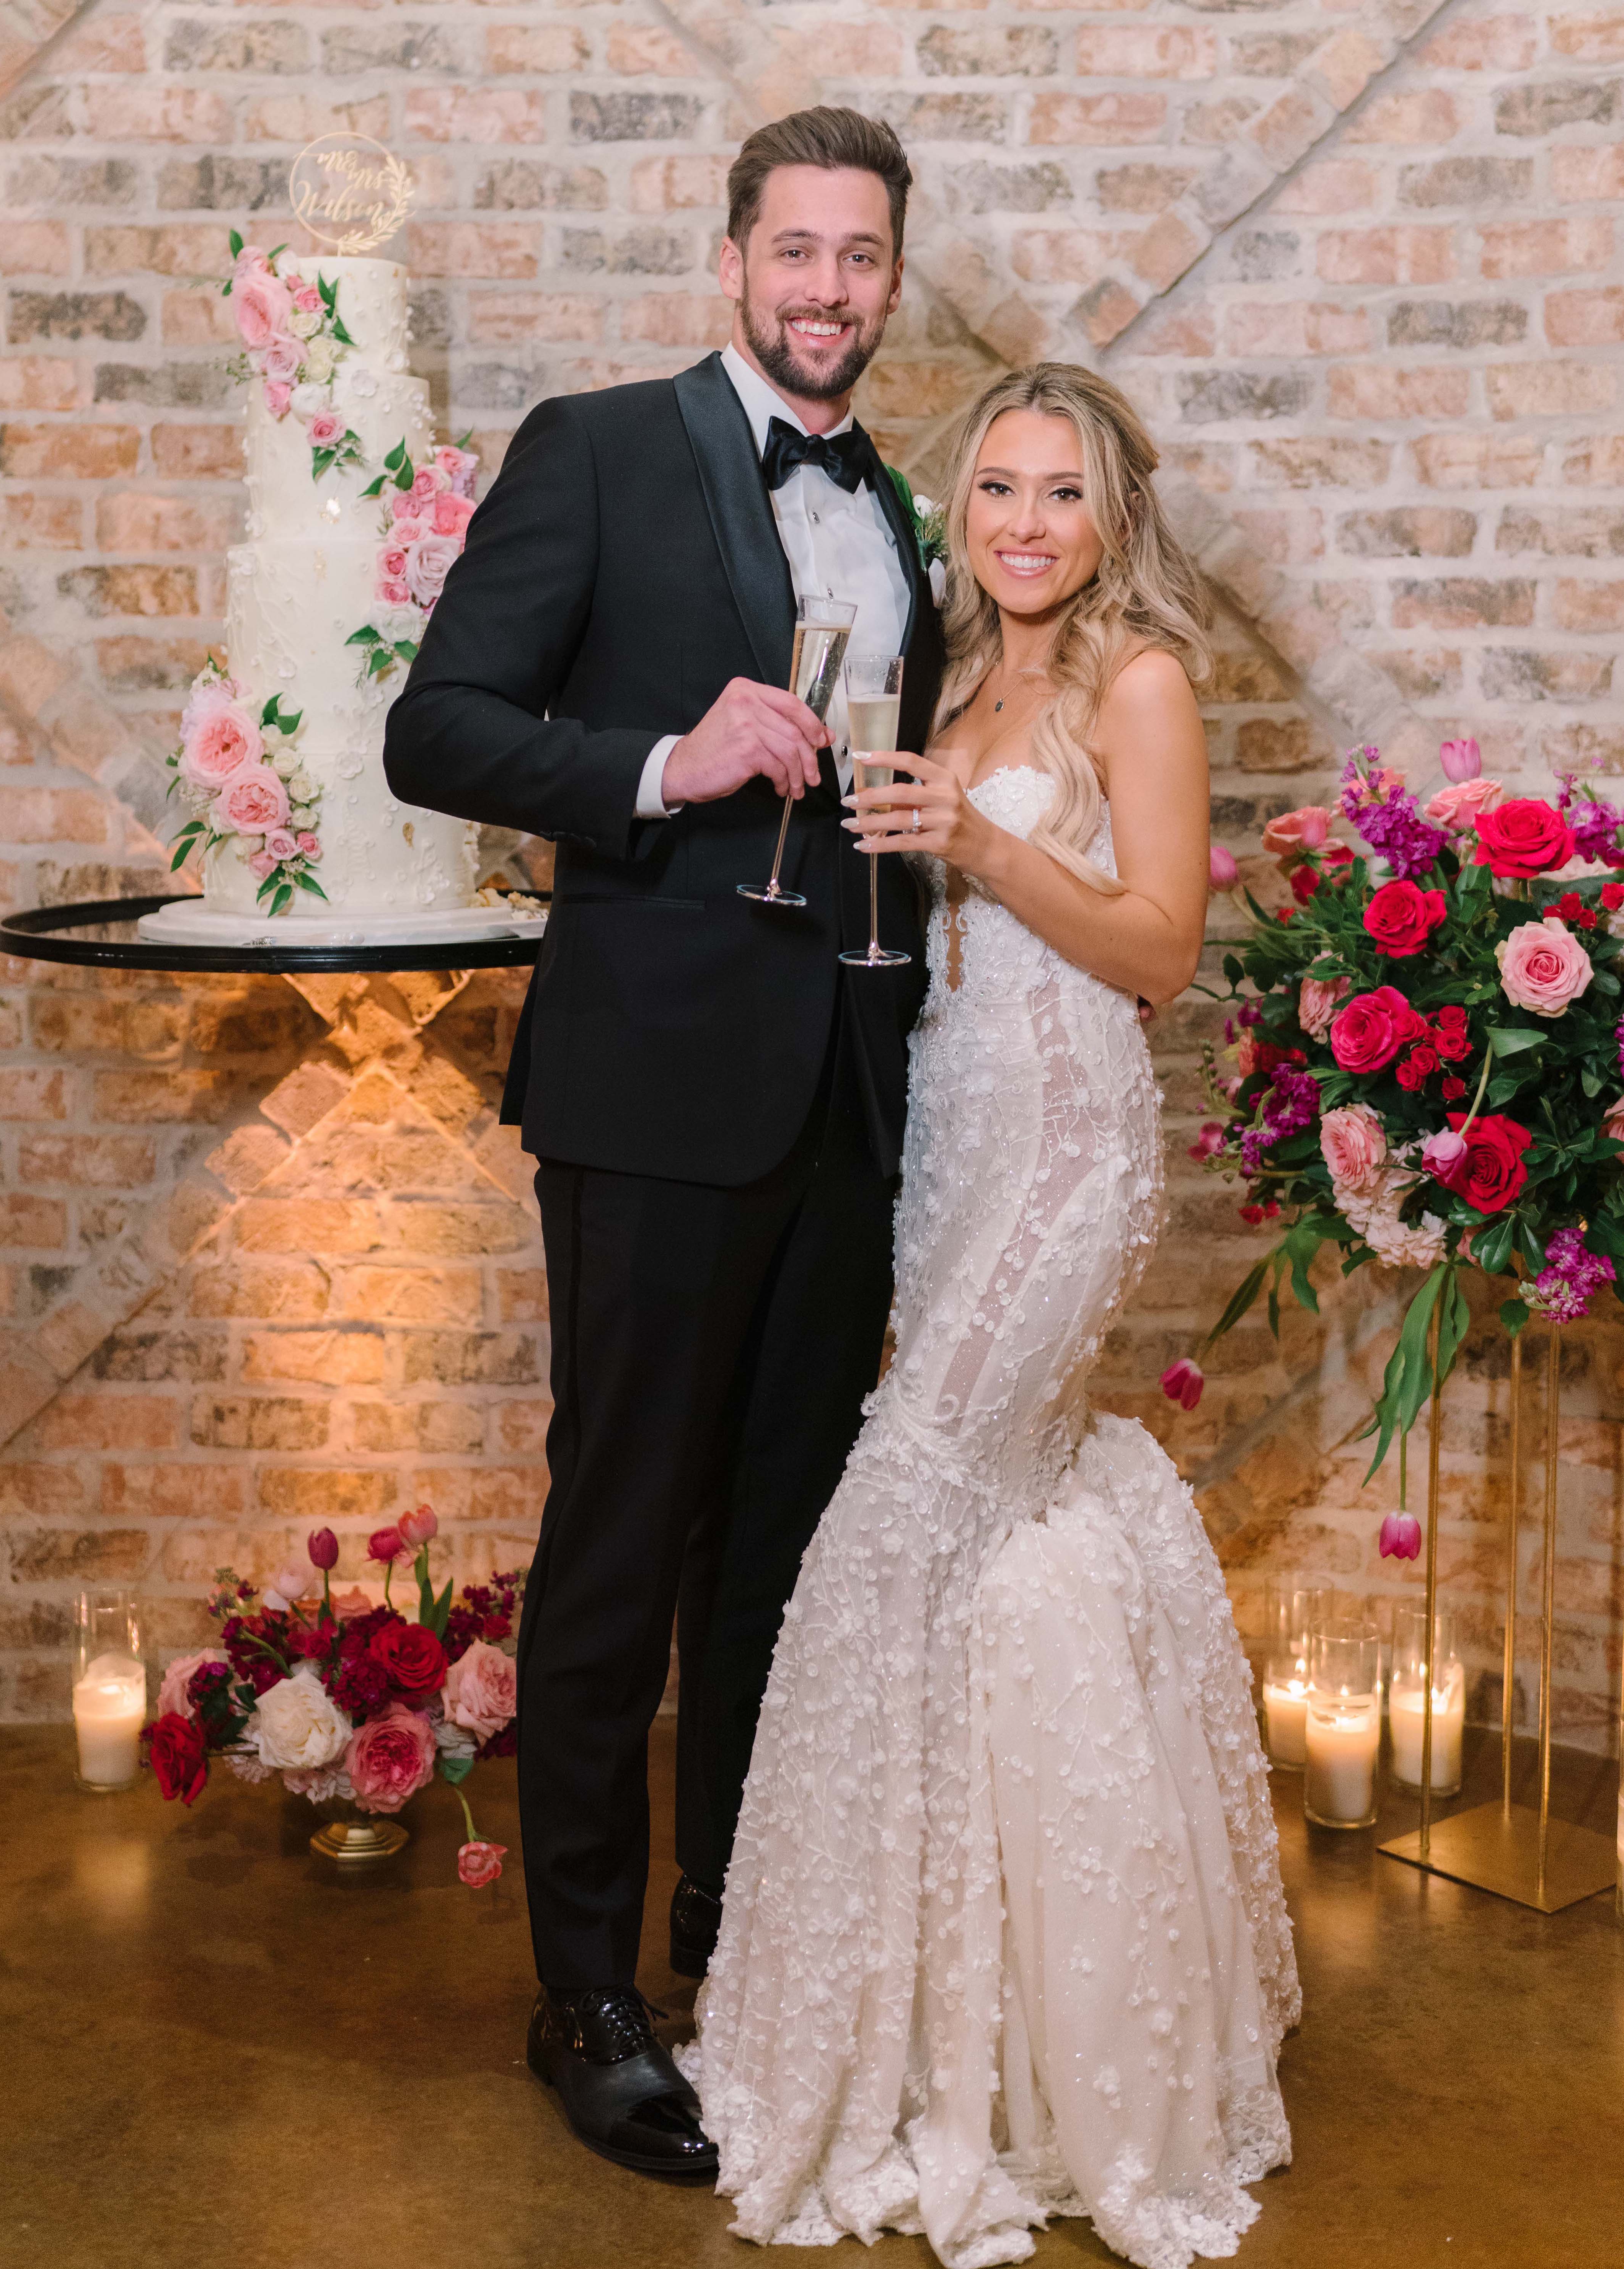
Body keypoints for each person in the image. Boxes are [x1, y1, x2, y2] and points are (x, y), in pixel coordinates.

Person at [684, 365, 1301, 2268]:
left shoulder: (1135, 684)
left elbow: (1162, 949)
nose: (1025, 524)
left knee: (897, 1515)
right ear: (962, 511)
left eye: (1063, 495)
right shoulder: (951, 674)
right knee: (974, 1552)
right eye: (999, 491)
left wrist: (983, 845)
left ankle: (849, 2034)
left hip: (1063, 1157)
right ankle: (980, 2028)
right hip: (942, 1149)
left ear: (1115, 519)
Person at [383, 106, 946, 2178]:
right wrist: (659, 758)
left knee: (779, 1556)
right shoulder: (603, 443)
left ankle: (737, 1937)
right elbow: (435, 722)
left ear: (892, 279)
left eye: (859, 259)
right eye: (793, 252)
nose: (825, 291)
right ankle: (589, 1995)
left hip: (851, 1090)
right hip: (649, 1091)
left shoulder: (910, 503)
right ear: (731, 263)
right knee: (622, 1547)